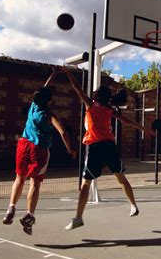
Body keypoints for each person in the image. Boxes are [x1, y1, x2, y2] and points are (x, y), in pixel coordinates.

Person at [60, 67, 155, 230]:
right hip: (109, 146)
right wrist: (145, 129)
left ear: (97, 95)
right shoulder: (109, 110)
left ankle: (78, 217)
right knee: (121, 179)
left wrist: (68, 72)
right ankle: (133, 205)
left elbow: (77, 87)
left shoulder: (90, 105)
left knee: (85, 185)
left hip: (95, 147)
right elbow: (127, 121)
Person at [2, 69, 77, 235]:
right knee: (34, 183)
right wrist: (70, 150)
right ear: (49, 101)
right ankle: (29, 215)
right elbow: (63, 133)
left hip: (23, 144)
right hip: (39, 149)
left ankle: (11, 208)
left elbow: (44, 87)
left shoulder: (34, 106)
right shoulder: (50, 115)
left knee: (19, 178)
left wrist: (54, 74)